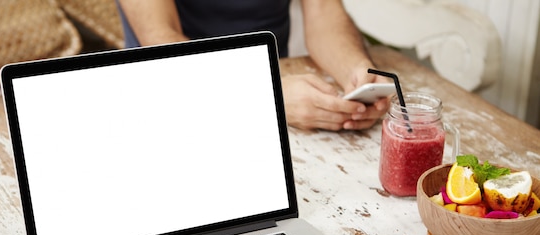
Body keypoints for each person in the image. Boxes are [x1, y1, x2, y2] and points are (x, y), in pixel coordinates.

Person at [117, 0, 390, 131]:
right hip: (169, 99)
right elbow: (162, 41)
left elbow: (322, 12)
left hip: (279, 90)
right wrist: (265, 94)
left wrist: (357, 69)